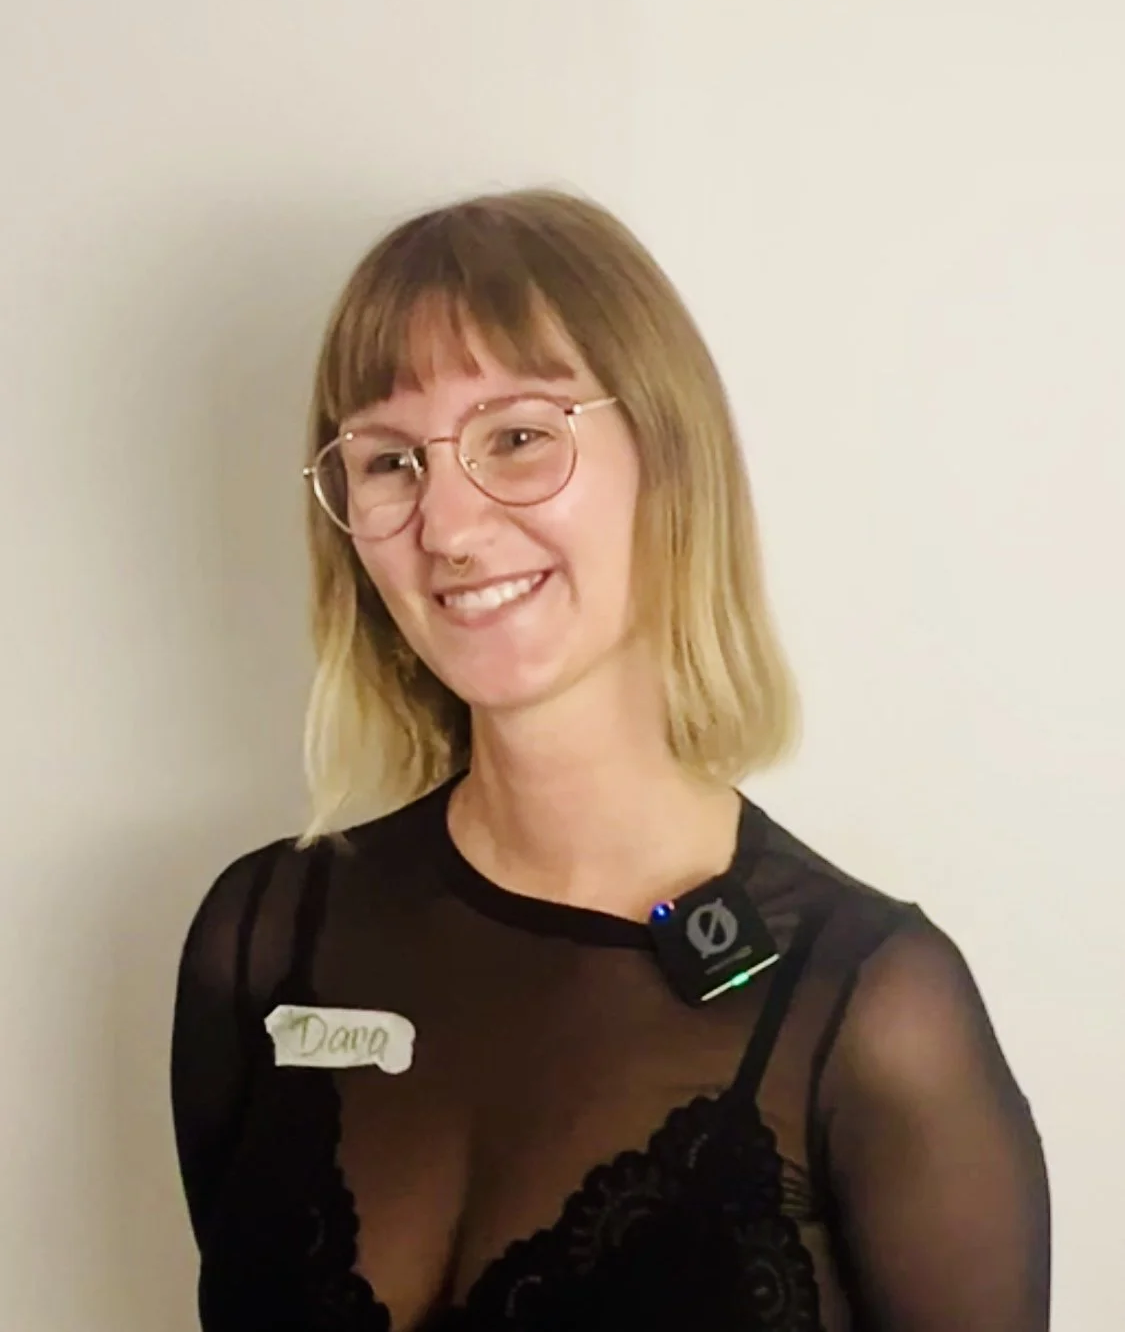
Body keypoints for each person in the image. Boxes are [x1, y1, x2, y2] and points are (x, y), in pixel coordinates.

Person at [171, 188, 1050, 1331]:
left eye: (517, 438)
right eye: (389, 461)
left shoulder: (875, 1013)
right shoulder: (262, 938)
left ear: (667, 454)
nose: (448, 527)